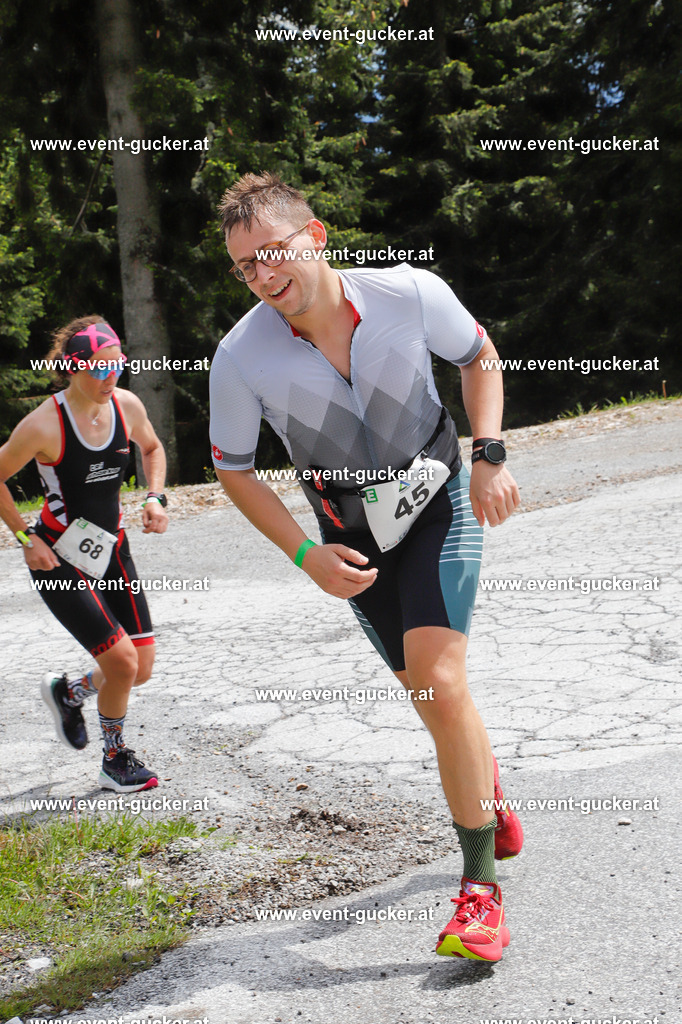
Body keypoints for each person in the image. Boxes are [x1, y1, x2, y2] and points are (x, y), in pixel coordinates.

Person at [209, 172, 523, 962]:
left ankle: (479, 894)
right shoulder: (240, 357)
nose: (262, 275)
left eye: (271, 252)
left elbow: (479, 356)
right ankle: (486, 788)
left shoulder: (407, 293)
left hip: (439, 502)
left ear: (314, 236)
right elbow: (235, 470)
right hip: (352, 540)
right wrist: (305, 554)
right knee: (432, 697)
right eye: (245, 267)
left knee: (441, 684)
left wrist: (488, 454)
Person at [0, 316, 169, 793]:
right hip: (57, 557)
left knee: (142, 667)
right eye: (97, 370)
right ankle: (114, 759)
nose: (108, 378)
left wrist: (156, 497)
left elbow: (152, 449)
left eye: (117, 367)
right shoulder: (43, 424)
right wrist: (23, 539)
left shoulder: (127, 406)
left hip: (113, 548)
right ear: (72, 368)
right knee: (121, 665)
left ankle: (69, 693)